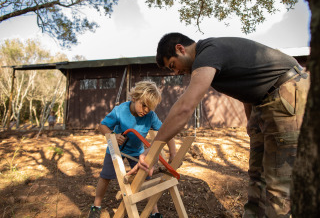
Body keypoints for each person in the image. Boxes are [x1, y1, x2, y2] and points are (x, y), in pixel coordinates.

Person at [129, 33, 309, 217]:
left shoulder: (208, 53)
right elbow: (248, 84)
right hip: (263, 102)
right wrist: (252, 123)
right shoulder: (213, 55)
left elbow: (185, 107)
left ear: (180, 48)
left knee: (278, 185)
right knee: (257, 176)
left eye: (173, 65)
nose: (175, 72)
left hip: (286, 91)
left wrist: (152, 152)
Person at [88, 80, 176, 218]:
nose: (146, 110)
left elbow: (167, 132)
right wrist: (113, 136)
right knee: (105, 176)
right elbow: (102, 126)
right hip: (116, 149)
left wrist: (173, 153)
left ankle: (154, 212)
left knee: (144, 178)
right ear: (134, 98)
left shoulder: (150, 116)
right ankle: (96, 206)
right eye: (144, 105)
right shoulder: (120, 110)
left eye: (150, 108)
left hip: (137, 151)